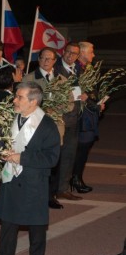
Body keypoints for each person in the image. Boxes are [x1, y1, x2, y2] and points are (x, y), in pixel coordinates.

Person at [0, 81, 60, 255]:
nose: (15, 100)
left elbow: (52, 159)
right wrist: (2, 152)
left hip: (34, 182)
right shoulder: (11, 118)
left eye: (19, 97)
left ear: (33, 102)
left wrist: (21, 158)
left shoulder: (47, 125)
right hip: (11, 179)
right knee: (8, 225)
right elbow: (0, 141)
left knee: (36, 226)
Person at [23, 47, 67, 209]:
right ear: (38, 59)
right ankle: (33, 194)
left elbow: (69, 104)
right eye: (43, 58)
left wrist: (58, 108)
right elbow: (22, 102)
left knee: (54, 162)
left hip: (56, 126)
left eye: (50, 59)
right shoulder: (30, 78)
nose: (46, 61)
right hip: (36, 127)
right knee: (35, 161)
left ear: (55, 61)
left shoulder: (61, 79)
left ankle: (51, 196)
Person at [54, 42, 86, 199]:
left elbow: (84, 89)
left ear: (78, 56)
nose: (70, 55)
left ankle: (63, 188)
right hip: (58, 119)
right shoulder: (55, 68)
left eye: (74, 54)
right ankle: (51, 190)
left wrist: (86, 96)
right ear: (63, 52)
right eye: (68, 52)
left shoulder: (79, 69)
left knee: (69, 155)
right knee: (55, 155)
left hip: (74, 119)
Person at [73, 41, 104, 193]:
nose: (93, 54)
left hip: (89, 113)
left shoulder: (88, 69)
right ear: (83, 53)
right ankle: (75, 179)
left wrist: (98, 102)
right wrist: (94, 102)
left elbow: (91, 92)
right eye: (91, 52)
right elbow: (80, 94)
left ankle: (77, 177)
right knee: (81, 148)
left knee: (84, 148)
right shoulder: (77, 69)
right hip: (82, 115)